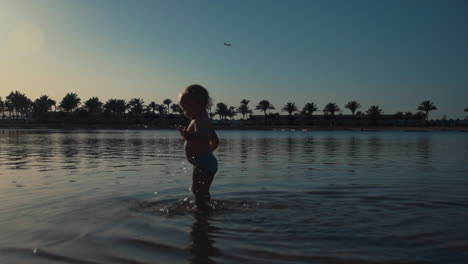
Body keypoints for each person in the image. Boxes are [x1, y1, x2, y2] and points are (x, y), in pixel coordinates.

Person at [178, 84, 219, 211]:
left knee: (197, 189)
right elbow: (215, 141)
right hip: (207, 161)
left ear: (199, 105)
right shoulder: (206, 121)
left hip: (203, 163)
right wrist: (208, 152)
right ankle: (205, 210)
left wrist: (188, 137)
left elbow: (200, 136)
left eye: (186, 109)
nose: (185, 113)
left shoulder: (199, 121)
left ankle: (202, 212)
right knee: (202, 190)